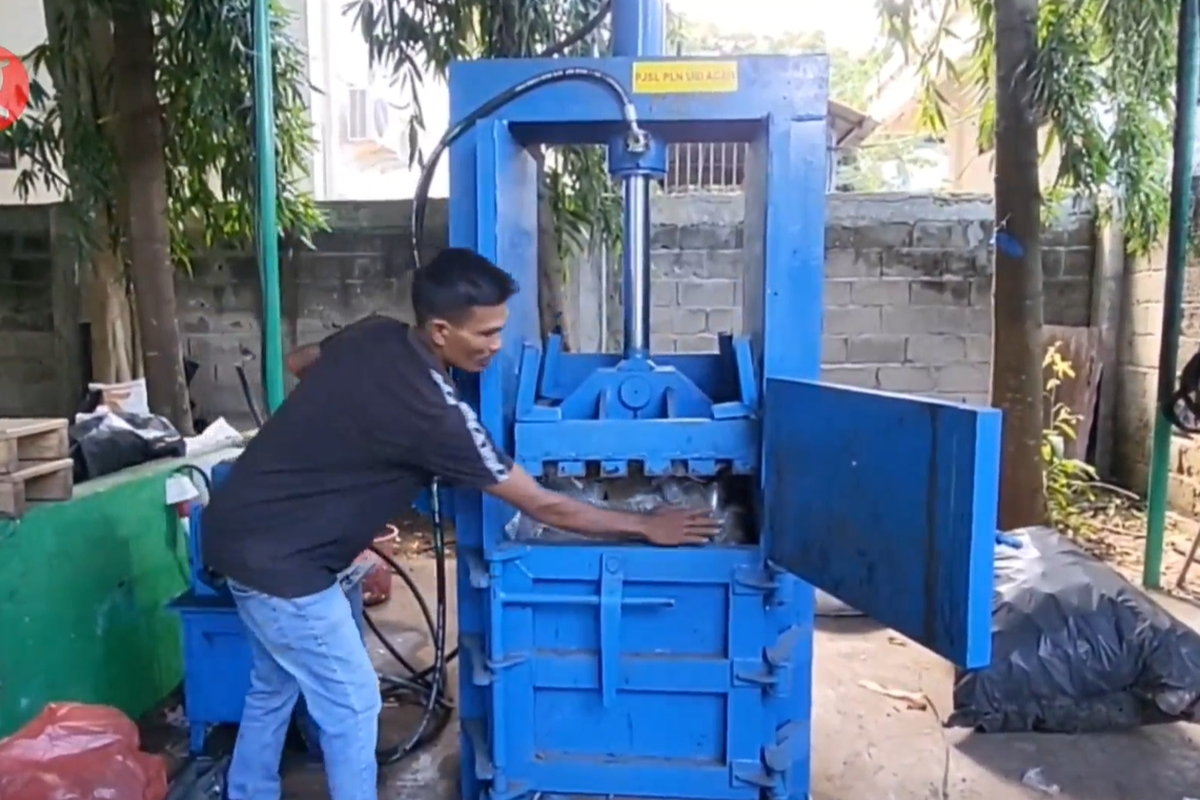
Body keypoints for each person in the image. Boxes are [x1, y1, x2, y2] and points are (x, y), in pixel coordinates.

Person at [201, 247, 722, 800]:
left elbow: (302, 362)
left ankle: (247, 790)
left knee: (274, 684)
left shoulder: (374, 333)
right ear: (441, 330)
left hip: (235, 529)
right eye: (486, 334)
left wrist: (341, 439)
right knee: (353, 704)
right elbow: (545, 505)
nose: (497, 346)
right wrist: (644, 526)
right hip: (285, 566)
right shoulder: (435, 413)